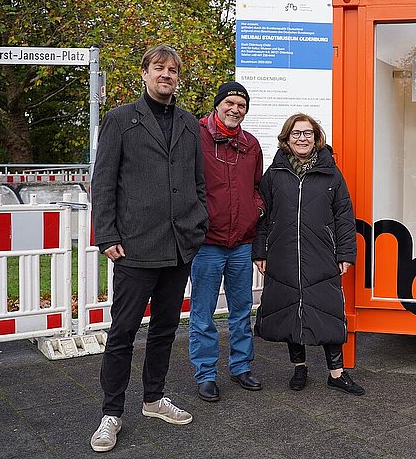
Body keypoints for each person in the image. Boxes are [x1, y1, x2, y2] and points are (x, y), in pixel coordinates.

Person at [90, 45, 208, 453]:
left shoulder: (191, 124)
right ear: (144, 73)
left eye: (173, 70)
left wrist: (197, 224)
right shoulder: (120, 120)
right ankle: (111, 413)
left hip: (179, 248)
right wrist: (106, 235)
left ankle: (154, 399)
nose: (166, 75)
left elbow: (197, 183)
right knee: (122, 332)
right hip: (136, 248)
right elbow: (103, 182)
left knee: (164, 330)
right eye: (159, 68)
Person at [253, 113, 363, 395]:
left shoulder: (331, 173)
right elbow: (263, 217)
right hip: (283, 253)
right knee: (291, 308)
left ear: (316, 138)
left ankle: (336, 374)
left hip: (322, 253)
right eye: (296, 134)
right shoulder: (274, 175)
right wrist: (260, 251)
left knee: (328, 310)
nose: (302, 139)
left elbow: (344, 216)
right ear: (287, 139)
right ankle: (299, 368)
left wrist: (346, 253)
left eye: (308, 133)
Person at [189, 81, 264, 401]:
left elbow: (258, 186)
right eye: (230, 103)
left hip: (241, 242)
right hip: (207, 243)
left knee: (241, 310)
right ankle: (206, 373)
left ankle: (241, 366)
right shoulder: (196, 136)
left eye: (242, 105)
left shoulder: (251, 144)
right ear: (217, 105)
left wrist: (255, 209)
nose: (236, 109)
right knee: (203, 312)